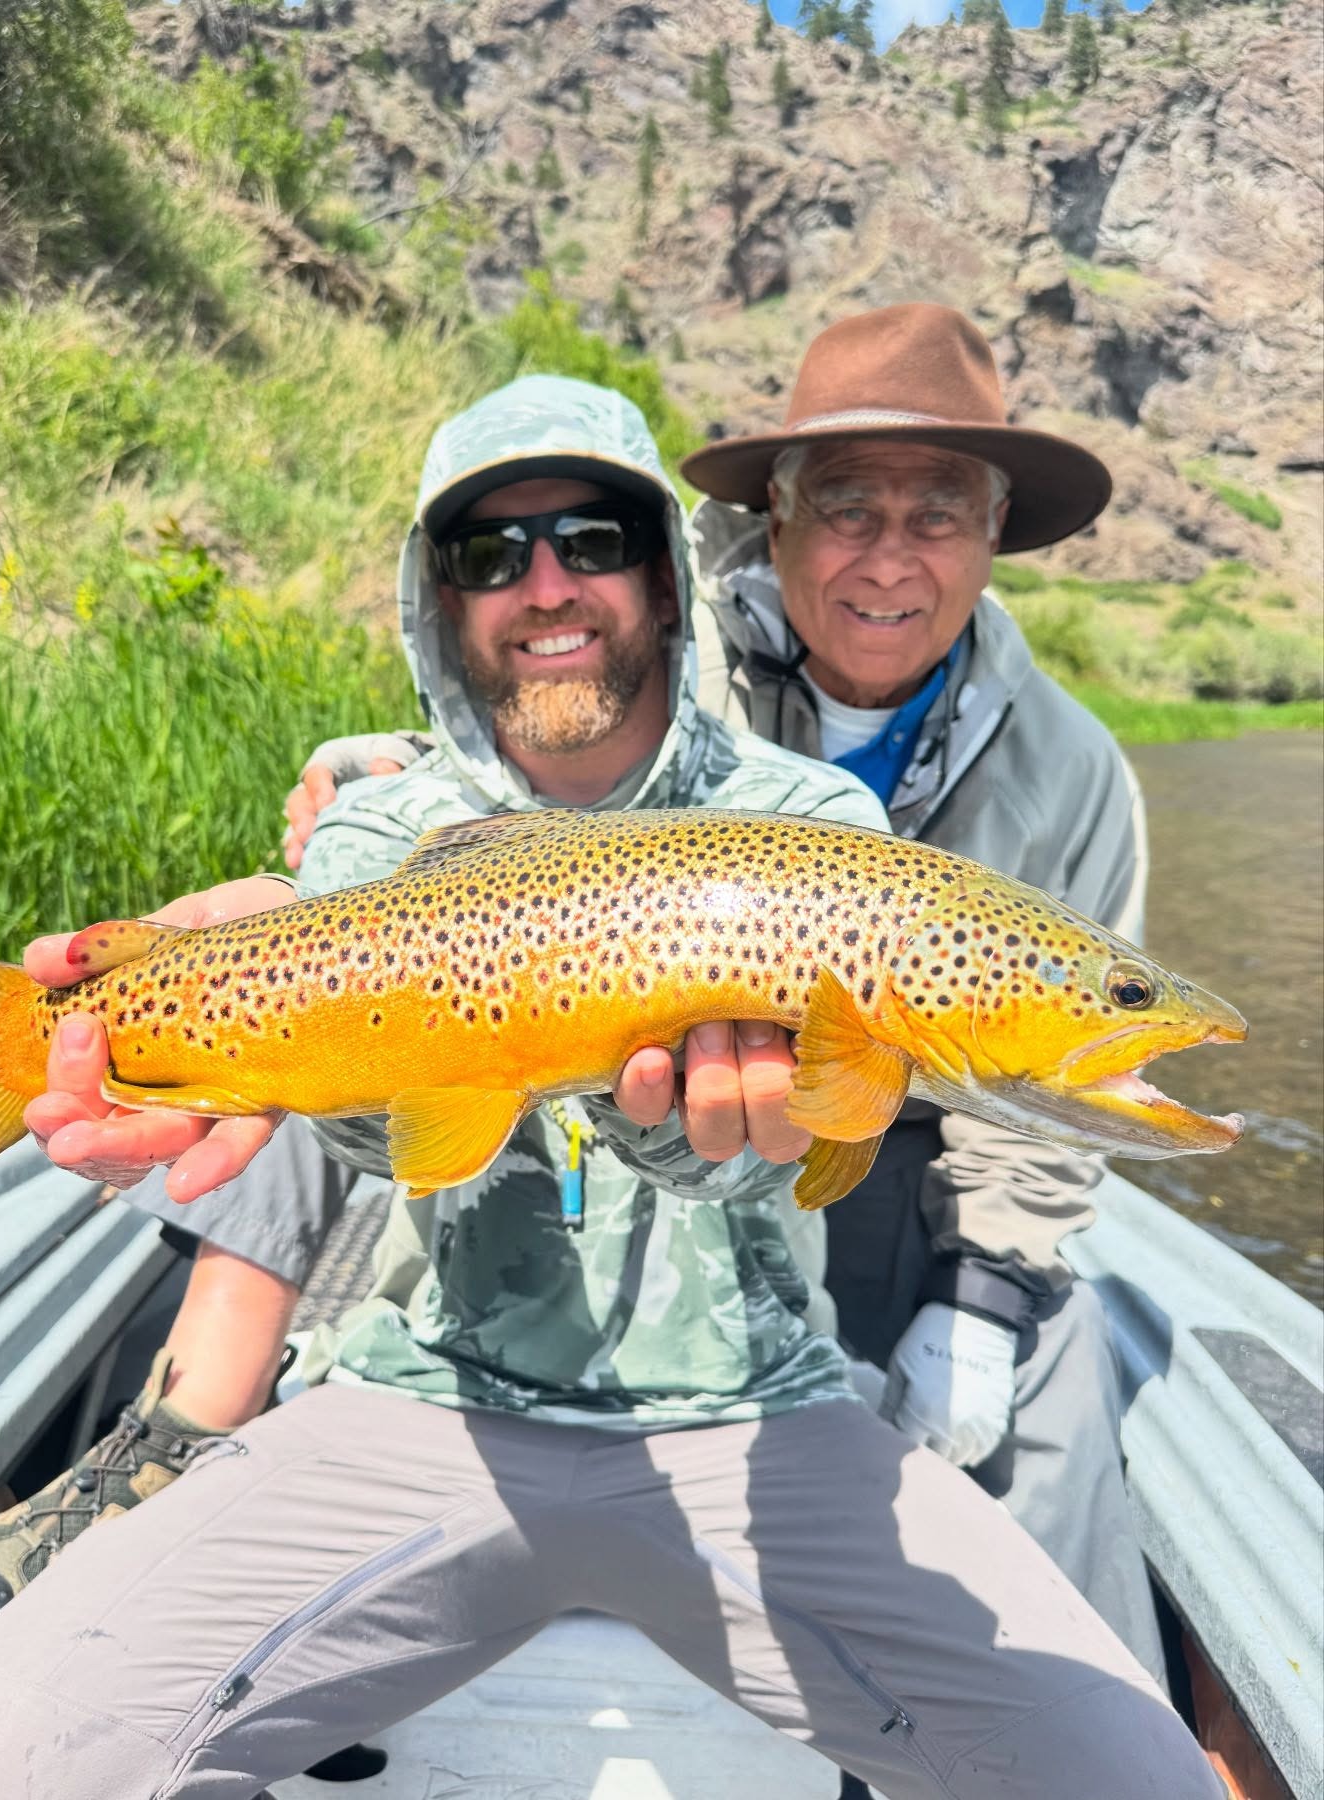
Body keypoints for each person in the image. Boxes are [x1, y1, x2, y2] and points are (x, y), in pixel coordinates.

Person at [0, 375, 1219, 1799]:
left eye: (593, 538)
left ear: (665, 579)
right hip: (427, 1402)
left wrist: (718, 1140)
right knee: (22, 1754)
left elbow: (765, 1152)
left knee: (1125, 1769)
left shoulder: (816, 829)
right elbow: (389, 1136)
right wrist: (202, 1051)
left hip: (761, 1419)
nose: (547, 584)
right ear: (441, 598)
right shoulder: (382, 829)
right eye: (491, 552)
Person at [268, 306, 1166, 1687]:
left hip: (936, 1150)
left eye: (938, 515)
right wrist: (381, 785)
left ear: (996, 538)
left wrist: (978, 1310)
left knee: (1064, 1386)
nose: (888, 556)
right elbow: (546, 734)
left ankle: (1060, 1683)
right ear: (772, 528)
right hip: (658, 1084)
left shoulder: (1078, 770)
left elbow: (1050, 1102)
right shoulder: (681, 656)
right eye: (848, 508)